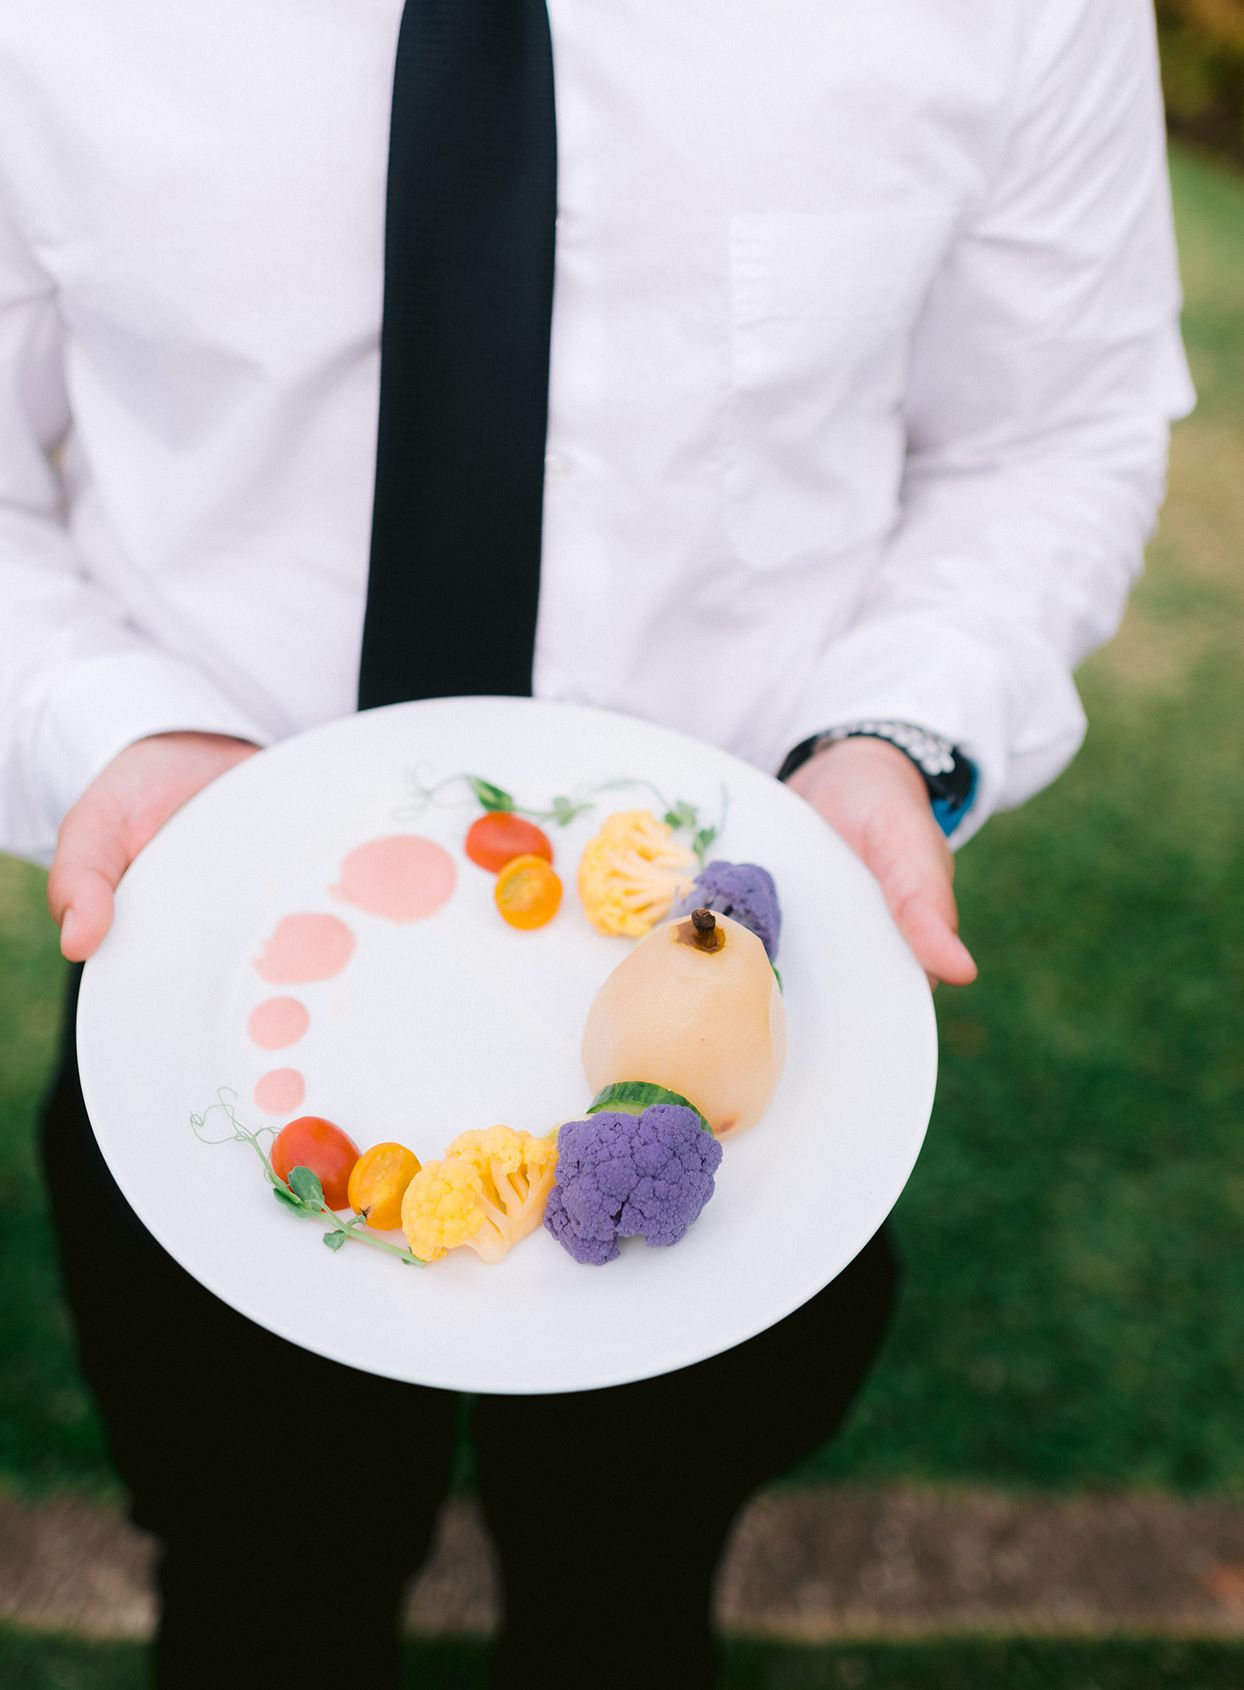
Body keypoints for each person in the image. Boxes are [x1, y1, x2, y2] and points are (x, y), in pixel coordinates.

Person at [1, 2, 1191, 1686]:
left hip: (751, 1037)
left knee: (628, 1595)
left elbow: (1046, 438)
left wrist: (896, 737)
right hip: (210, 1000)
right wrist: (106, 725)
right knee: (257, 1581)